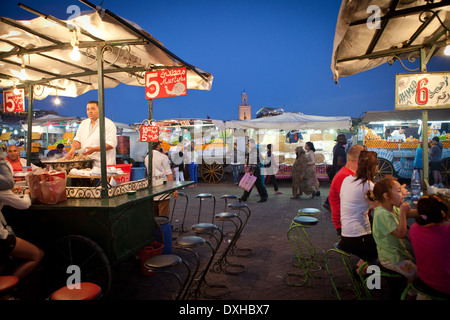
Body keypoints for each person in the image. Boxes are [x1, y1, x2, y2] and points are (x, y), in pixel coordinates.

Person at [369, 178, 418, 299]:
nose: (403, 194)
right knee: (416, 275)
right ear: (386, 196)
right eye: (399, 191)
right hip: (390, 258)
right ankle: (409, 296)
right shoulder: (382, 213)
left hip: (398, 253)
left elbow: (410, 213)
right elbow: (401, 233)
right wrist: (402, 213)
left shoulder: (392, 208)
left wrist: (427, 209)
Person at [0, 152, 44, 282]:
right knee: (37, 255)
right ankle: (9, 289)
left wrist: (10, 191)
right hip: (1, 237)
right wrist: (26, 193)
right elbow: (24, 205)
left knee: (3, 265)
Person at [338, 150, 379, 273]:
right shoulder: (368, 185)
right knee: (377, 255)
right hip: (358, 237)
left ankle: (360, 270)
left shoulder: (347, 180)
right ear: (375, 167)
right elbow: (379, 207)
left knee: (370, 254)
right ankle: (369, 284)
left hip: (345, 234)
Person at [409, 195, 450, 298]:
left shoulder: (414, 229)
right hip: (446, 286)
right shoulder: (446, 232)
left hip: (425, 278)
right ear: (445, 216)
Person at [66, 101, 117, 167]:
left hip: (104, 165)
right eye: (88, 109)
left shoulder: (108, 124)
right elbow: (77, 140)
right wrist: (73, 149)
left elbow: (110, 144)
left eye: (93, 109)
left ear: (100, 109)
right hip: (87, 163)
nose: (90, 111)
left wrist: (94, 149)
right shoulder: (83, 123)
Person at [329, 144, 366, 236]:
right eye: (366, 159)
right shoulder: (346, 177)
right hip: (348, 224)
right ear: (359, 160)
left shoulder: (349, 174)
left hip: (353, 220)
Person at [144, 142, 178, 217]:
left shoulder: (147, 158)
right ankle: (163, 228)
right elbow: (169, 174)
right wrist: (174, 189)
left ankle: (156, 229)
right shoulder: (163, 157)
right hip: (163, 188)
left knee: (154, 216)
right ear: (158, 146)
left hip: (151, 188)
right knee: (163, 215)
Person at [323, 133, 347, 211]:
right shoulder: (341, 150)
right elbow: (339, 162)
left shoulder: (336, 147)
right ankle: (328, 202)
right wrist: (347, 164)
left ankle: (329, 203)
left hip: (335, 170)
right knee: (337, 189)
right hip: (339, 171)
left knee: (337, 189)